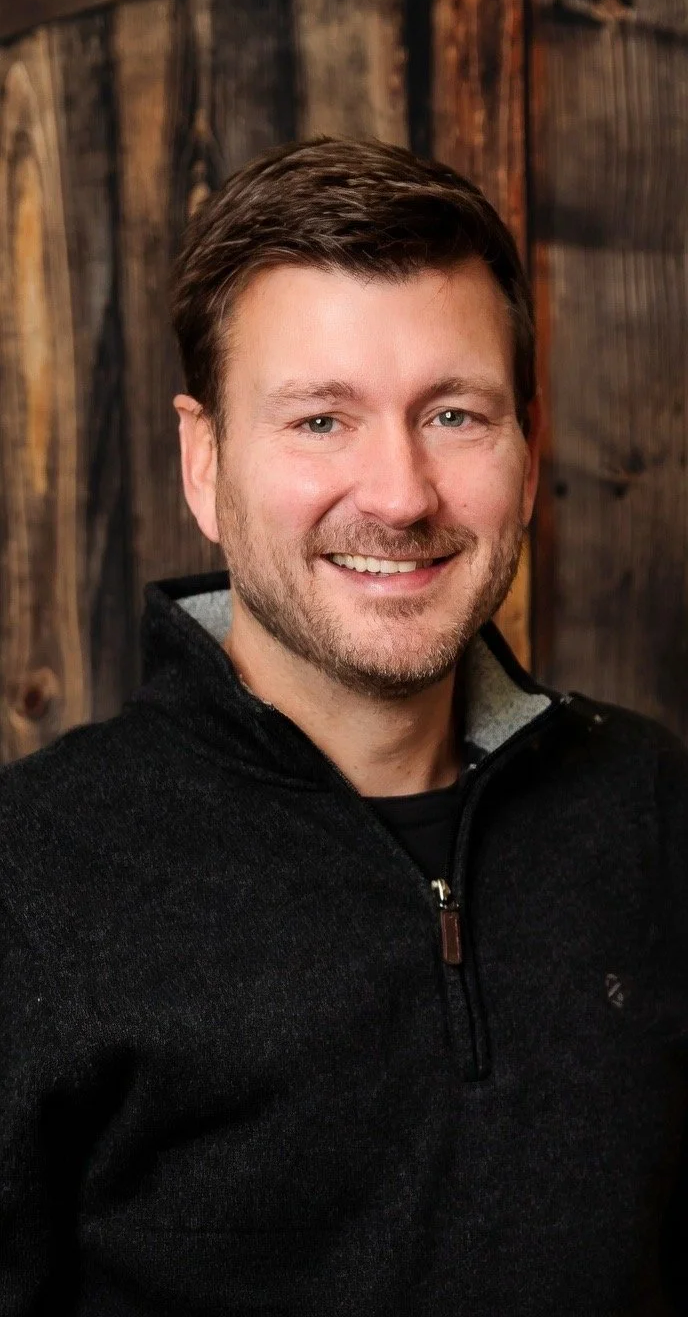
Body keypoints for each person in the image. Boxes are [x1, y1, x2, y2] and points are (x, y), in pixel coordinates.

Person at [0, 137, 686, 1316]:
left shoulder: (653, 809)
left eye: (454, 414)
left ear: (525, 454)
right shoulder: (29, 878)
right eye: (321, 420)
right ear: (204, 461)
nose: (401, 493)